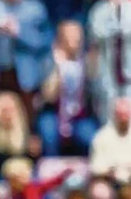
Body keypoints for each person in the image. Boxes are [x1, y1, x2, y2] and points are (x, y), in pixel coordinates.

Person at [38, 20, 97, 155]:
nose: (75, 40)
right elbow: (48, 95)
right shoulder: (49, 61)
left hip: (79, 115)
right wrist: (58, 68)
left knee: (89, 137)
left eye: (78, 36)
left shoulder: (85, 61)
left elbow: (93, 87)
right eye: (70, 36)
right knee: (49, 135)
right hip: (53, 113)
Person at [90, 96, 131, 184]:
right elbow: (97, 168)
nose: (123, 118)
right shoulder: (102, 136)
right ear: (114, 115)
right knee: (100, 190)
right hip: (109, 180)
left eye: (126, 114)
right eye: (120, 114)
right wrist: (113, 173)